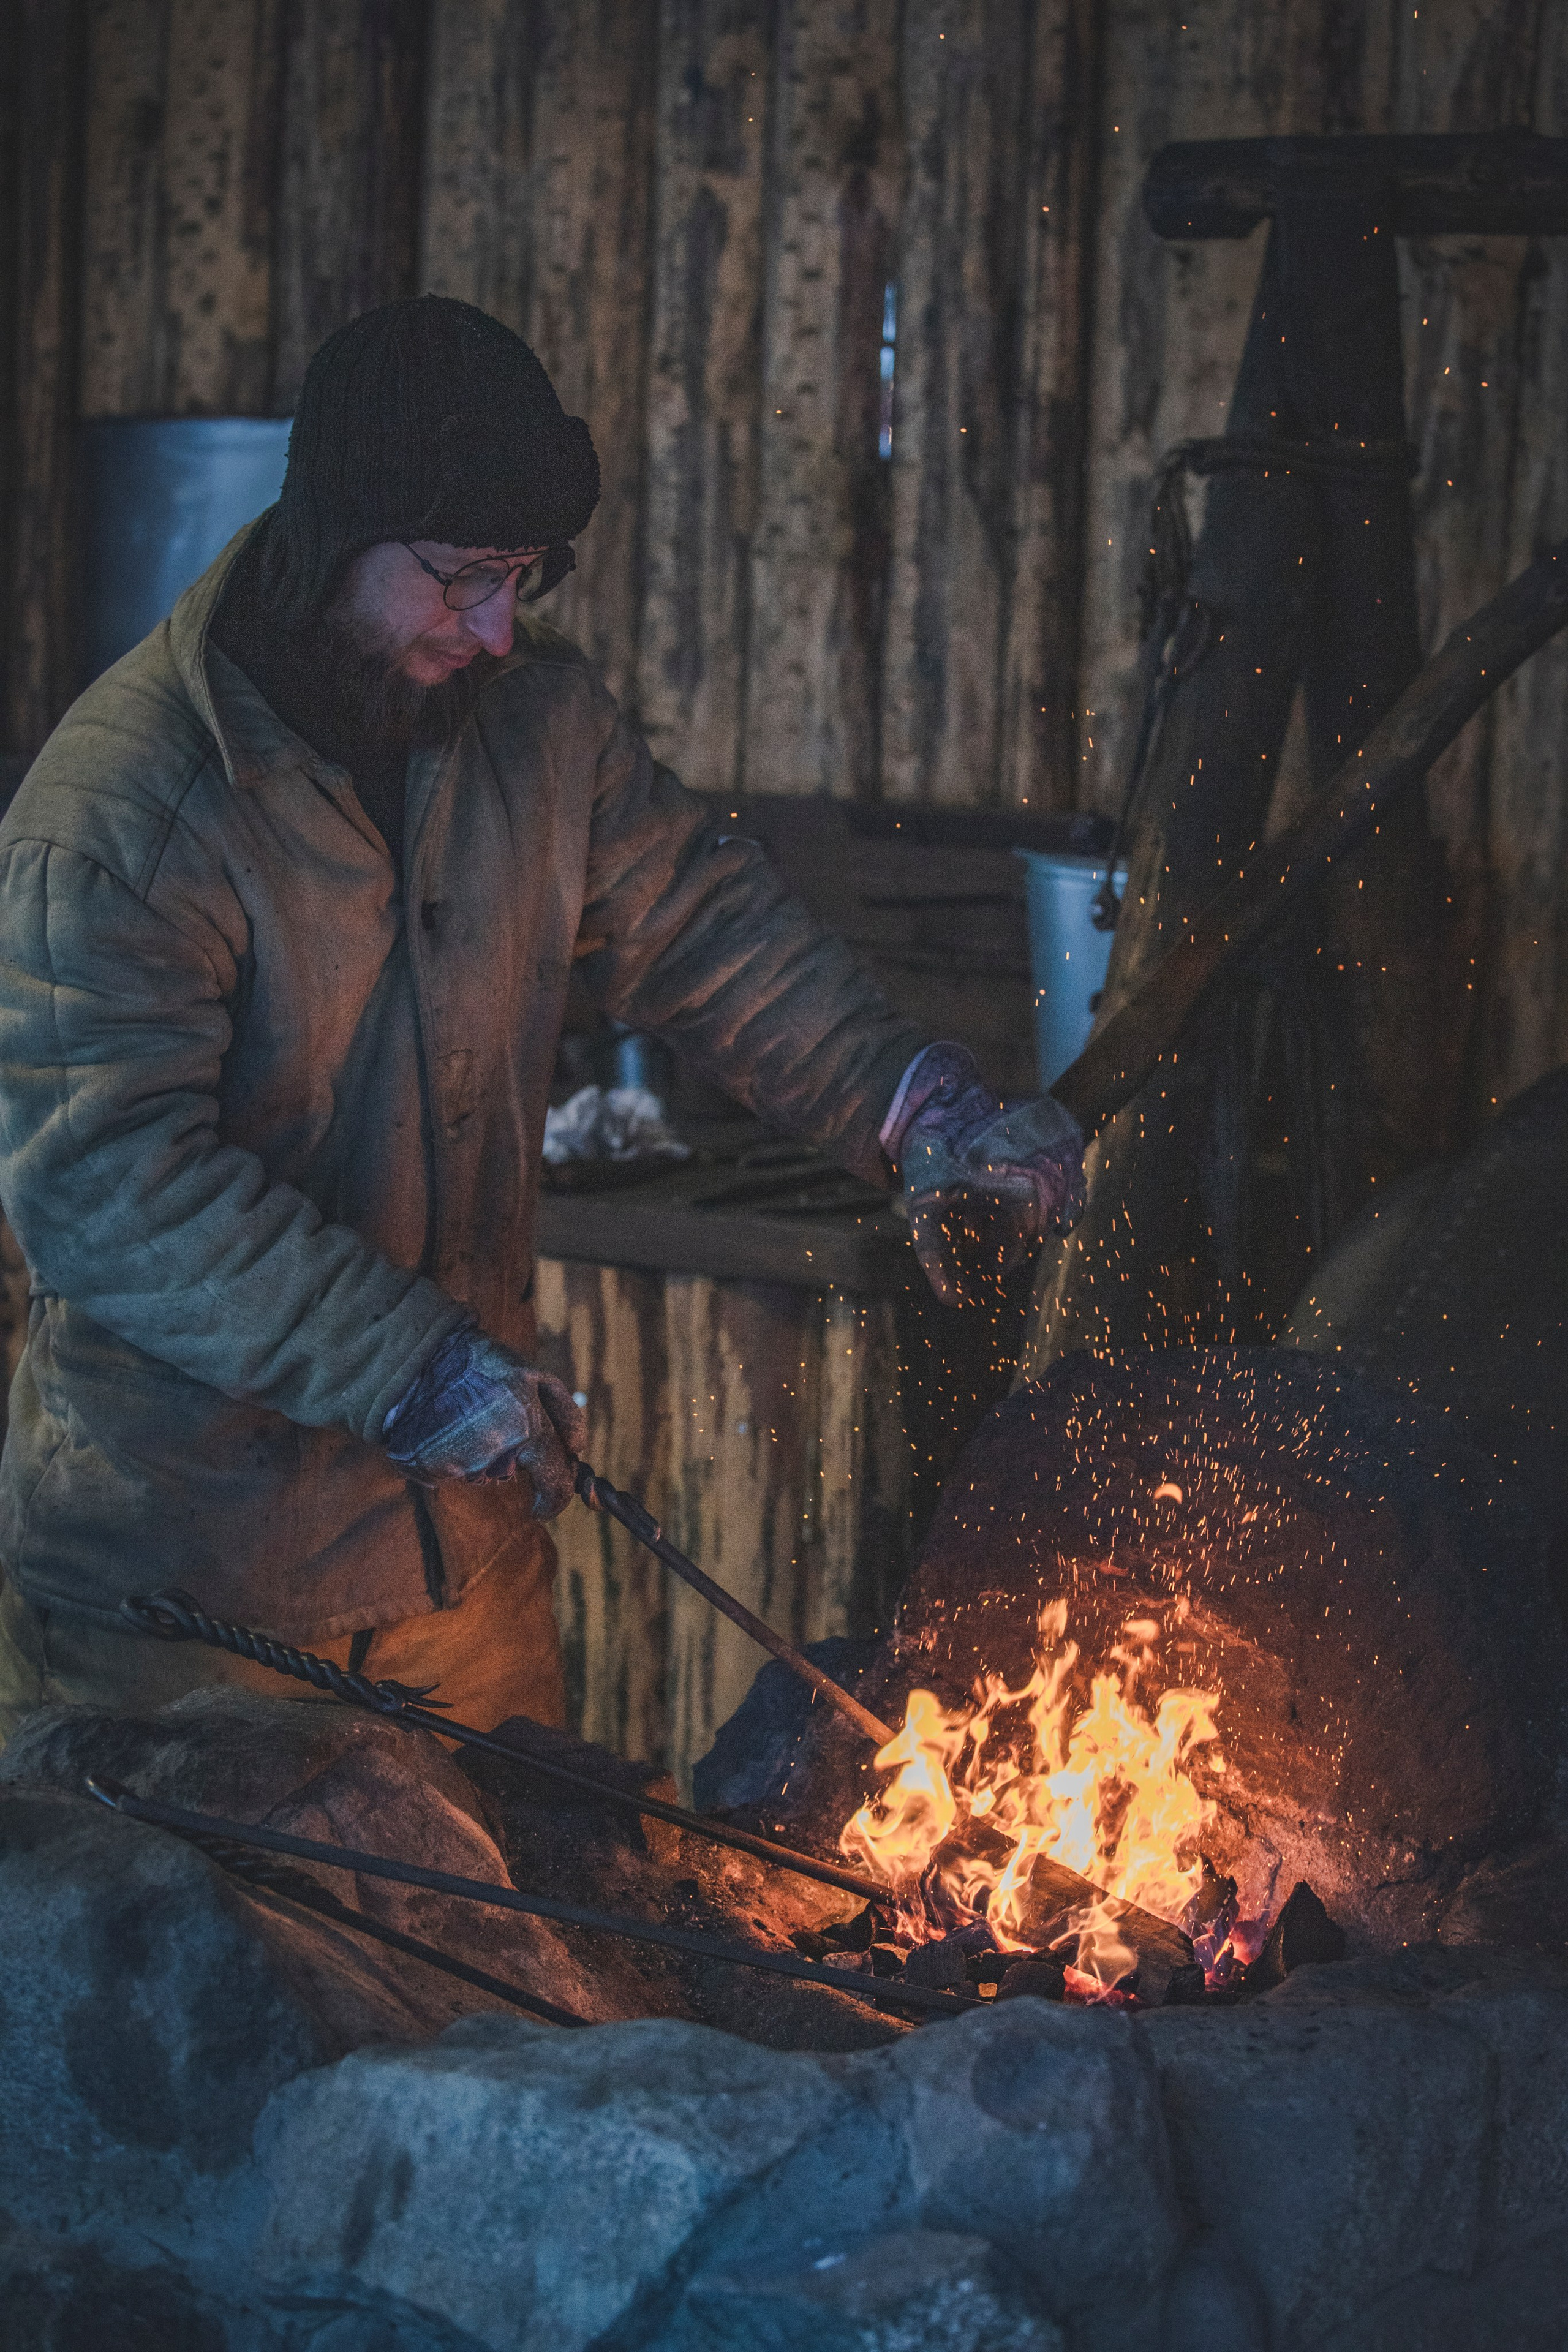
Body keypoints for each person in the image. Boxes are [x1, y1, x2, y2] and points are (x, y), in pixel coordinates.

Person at [0, 296, 1083, 1739]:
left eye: (524, 576)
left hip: (465, 1577)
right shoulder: (128, 814)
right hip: (187, 1612)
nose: (500, 628)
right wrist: (406, 1361)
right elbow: (108, 1186)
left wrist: (910, 1104)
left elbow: (704, 934)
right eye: (459, 579)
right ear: (333, 537)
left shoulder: (531, 721)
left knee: (506, 1953)